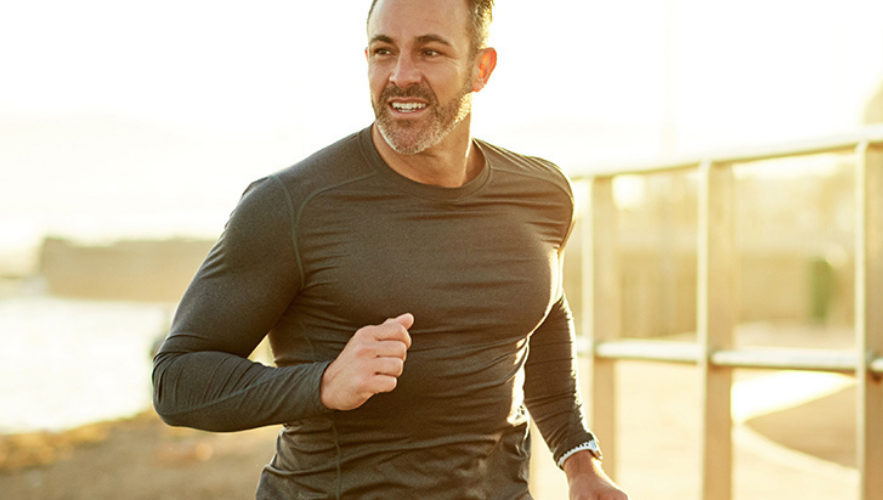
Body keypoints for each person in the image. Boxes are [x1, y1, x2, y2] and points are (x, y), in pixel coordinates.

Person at [152, 0, 628, 498]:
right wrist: (322, 383)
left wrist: (579, 459)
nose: (401, 76)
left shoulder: (543, 192)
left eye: (429, 51)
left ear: (480, 69)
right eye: (384, 51)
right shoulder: (292, 205)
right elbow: (177, 379)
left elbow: (542, 318)